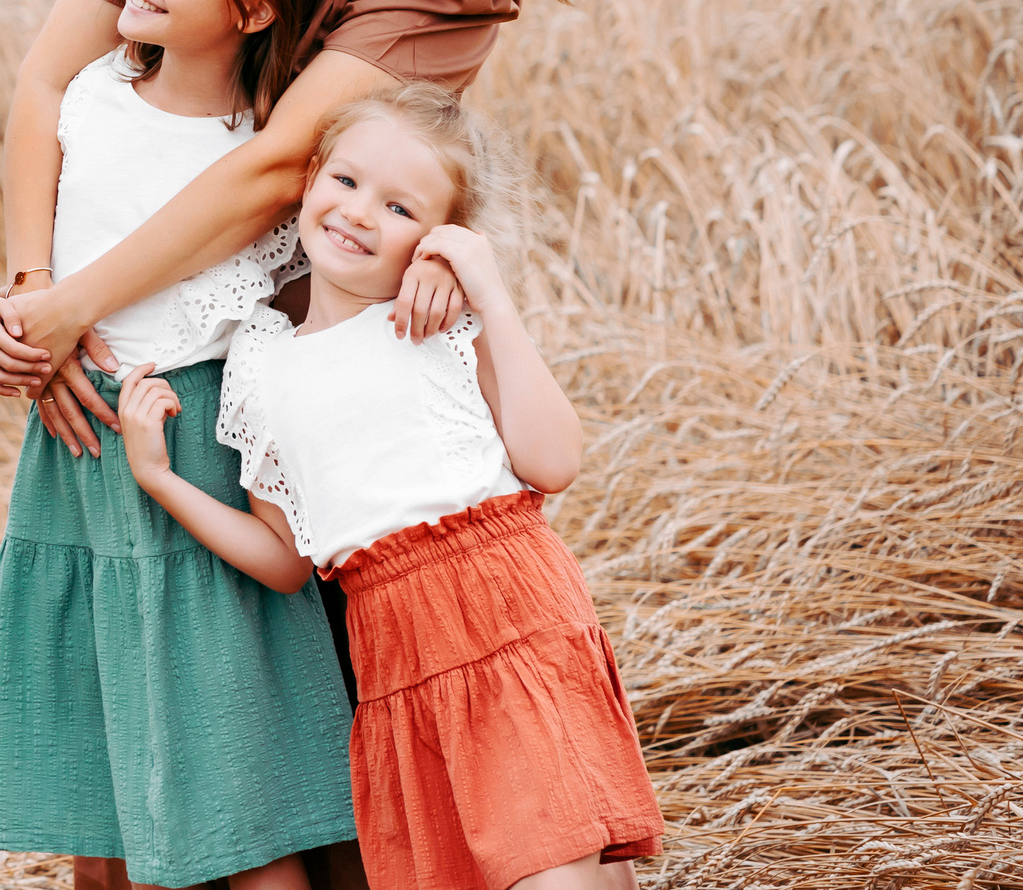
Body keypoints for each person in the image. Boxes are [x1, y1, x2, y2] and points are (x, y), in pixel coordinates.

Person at [0, 0, 590, 890]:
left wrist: (68, 311)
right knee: (123, 744)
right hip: (130, 339)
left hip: (298, 359)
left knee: (309, 742)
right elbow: (49, 83)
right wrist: (36, 299)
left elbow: (269, 173)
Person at [119, 84, 661, 890]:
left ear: (440, 235)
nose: (360, 212)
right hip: (395, 648)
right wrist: (158, 478)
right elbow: (283, 557)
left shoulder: (441, 321)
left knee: (557, 862)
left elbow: (553, 462)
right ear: (307, 179)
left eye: (401, 206)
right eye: (345, 181)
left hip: (508, 607)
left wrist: (489, 289)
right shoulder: (260, 363)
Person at [0, 0, 356, 890]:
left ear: (255, 7)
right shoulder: (90, 96)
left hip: (204, 456)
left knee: (241, 787)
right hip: (78, 456)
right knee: (98, 795)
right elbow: (45, 267)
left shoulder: (263, 154)